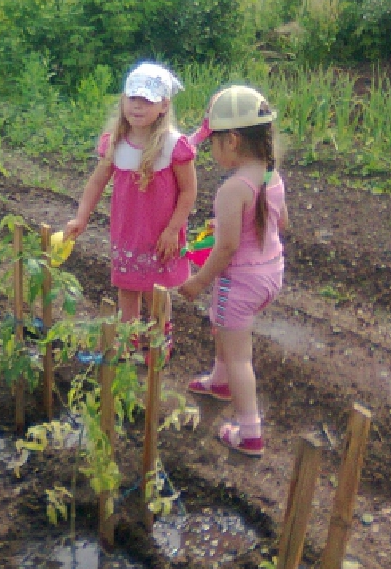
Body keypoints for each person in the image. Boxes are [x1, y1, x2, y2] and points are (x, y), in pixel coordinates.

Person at [178, 85, 289, 457]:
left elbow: (225, 250)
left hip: (239, 282)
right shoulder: (272, 176)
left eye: (214, 141)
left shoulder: (231, 189)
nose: (211, 150)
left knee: (241, 354)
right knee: (223, 325)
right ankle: (220, 380)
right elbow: (281, 223)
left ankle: (249, 432)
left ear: (234, 141)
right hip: (271, 274)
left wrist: (197, 282)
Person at [64, 61, 197, 351]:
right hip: (127, 233)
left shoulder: (173, 146)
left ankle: (160, 339)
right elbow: (96, 183)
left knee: (156, 292)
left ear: (163, 105)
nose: (137, 106)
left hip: (160, 234)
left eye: (146, 100)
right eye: (132, 98)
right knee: (127, 288)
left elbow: (188, 191)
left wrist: (173, 229)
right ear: (123, 100)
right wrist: (81, 218)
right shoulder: (116, 144)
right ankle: (128, 341)